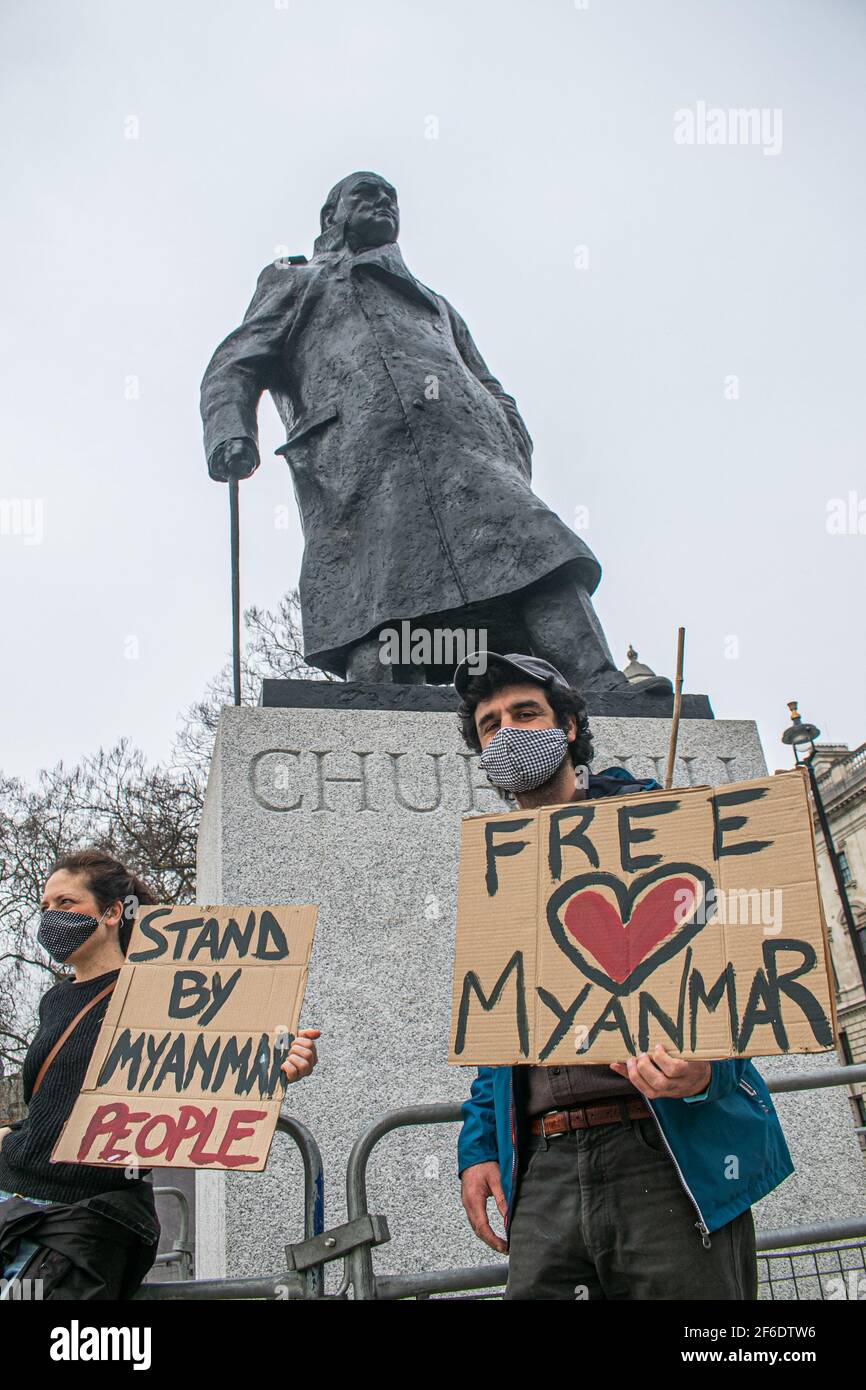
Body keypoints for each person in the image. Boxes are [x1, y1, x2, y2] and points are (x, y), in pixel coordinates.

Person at [201, 170, 670, 699]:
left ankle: (598, 680)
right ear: (332, 216)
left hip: (470, 455)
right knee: (378, 582)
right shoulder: (296, 279)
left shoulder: (436, 302)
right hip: (360, 460)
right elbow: (235, 364)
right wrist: (230, 432)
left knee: (540, 549)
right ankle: (382, 695)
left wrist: (509, 436)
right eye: (367, 195)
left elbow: (486, 378)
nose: (383, 203)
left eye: (391, 198)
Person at [453, 652, 795, 1300]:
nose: (509, 733)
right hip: (544, 1167)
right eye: (491, 724)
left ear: (570, 728)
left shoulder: (660, 826)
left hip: (663, 1152)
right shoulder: (496, 873)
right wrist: (478, 1147)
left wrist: (707, 1069)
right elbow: (496, 1032)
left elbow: (736, 979)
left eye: (526, 713)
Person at [0, 849, 320, 1298]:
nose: (50, 916)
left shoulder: (159, 990)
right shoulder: (54, 1000)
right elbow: (53, 1100)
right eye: (45, 907)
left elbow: (213, 1063)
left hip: (78, 1220)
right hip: (14, 1200)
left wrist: (279, 1065)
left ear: (113, 912)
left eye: (66, 904)